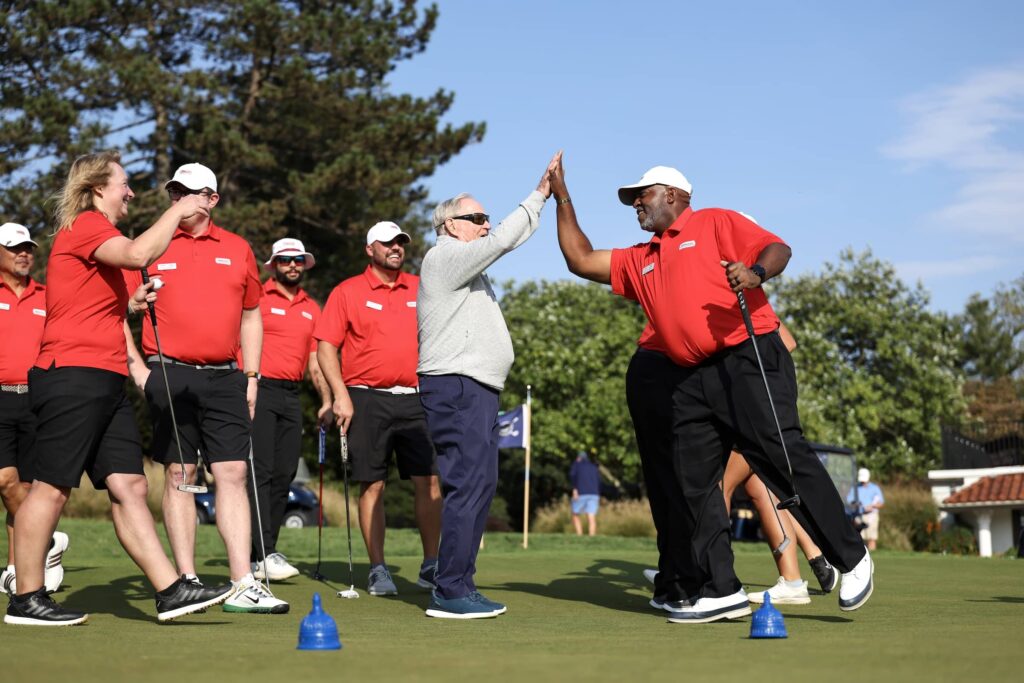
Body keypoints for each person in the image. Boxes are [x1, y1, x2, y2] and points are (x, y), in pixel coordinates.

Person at [552, 158, 873, 624]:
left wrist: (757, 273)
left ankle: (853, 557)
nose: (636, 203)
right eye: (632, 198)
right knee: (696, 483)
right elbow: (580, 259)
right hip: (690, 377)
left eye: (643, 194)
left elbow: (777, 247)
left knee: (781, 455)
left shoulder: (714, 220)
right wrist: (562, 196)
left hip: (748, 353)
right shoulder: (641, 258)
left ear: (675, 195)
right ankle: (718, 588)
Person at [6, 151, 232, 625]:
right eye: (124, 184)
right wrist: (179, 207)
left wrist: (130, 306)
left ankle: (170, 590)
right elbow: (138, 253)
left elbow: (101, 301)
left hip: (104, 378)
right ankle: (26, 598)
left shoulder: (101, 237)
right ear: (96, 189)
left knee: (129, 484)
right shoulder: (86, 224)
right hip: (70, 373)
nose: (130, 192)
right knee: (50, 489)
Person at [123, 162, 287, 614]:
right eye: (176, 191)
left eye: (192, 193)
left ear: (212, 199)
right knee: (180, 474)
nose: (181, 199)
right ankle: (186, 579)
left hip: (226, 375)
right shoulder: (150, 245)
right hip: (169, 372)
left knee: (232, 473)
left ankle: (241, 582)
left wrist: (252, 376)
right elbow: (116, 311)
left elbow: (252, 313)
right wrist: (141, 372)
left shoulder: (237, 248)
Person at [417, 152, 560, 619]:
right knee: (468, 483)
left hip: (474, 388)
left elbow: (498, 240)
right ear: (450, 225)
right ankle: (450, 590)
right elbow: (502, 241)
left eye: (485, 217)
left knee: (480, 483)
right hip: (456, 385)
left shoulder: (465, 267)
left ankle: (459, 582)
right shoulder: (444, 256)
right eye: (475, 218)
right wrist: (539, 195)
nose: (484, 224)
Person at [315, 221, 442, 597]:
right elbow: (325, 348)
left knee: (430, 481)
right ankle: (378, 569)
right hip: (366, 397)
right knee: (372, 484)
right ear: (370, 249)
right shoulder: (348, 291)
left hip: (419, 397)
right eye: (387, 243)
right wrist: (340, 395)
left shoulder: (422, 288)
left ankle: (431, 565)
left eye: (401, 242)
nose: (396, 248)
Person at [247, 238, 332, 581]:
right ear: (274, 265)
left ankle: (266, 552)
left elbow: (315, 361)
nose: (292, 265)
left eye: (298, 260)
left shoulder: (312, 308)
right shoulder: (257, 299)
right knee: (261, 474)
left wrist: (327, 398)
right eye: (285, 260)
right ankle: (259, 553)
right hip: (260, 390)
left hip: (291, 395)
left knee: (284, 474)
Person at [0, 222, 69, 597]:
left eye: (27, 248)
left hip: (36, 399)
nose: (23, 254)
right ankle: (47, 541)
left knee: (26, 485)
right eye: (14, 248)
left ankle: (15, 569)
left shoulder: (48, 295)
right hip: (0, 396)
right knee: (5, 480)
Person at [848, 468, 884, 551]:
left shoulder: (875, 488)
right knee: (860, 538)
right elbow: (850, 501)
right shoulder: (855, 488)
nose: (863, 482)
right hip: (858, 515)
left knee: (872, 537)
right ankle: (862, 554)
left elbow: (881, 503)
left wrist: (873, 506)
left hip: (872, 515)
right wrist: (857, 505)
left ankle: (873, 555)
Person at [569, 451, 601, 536]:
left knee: (575, 514)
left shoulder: (577, 464)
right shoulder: (594, 467)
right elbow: (598, 480)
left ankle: (579, 535)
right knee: (591, 515)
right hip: (594, 494)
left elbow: (572, 476)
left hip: (581, 493)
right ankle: (591, 536)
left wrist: (574, 489)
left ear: (579, 458)